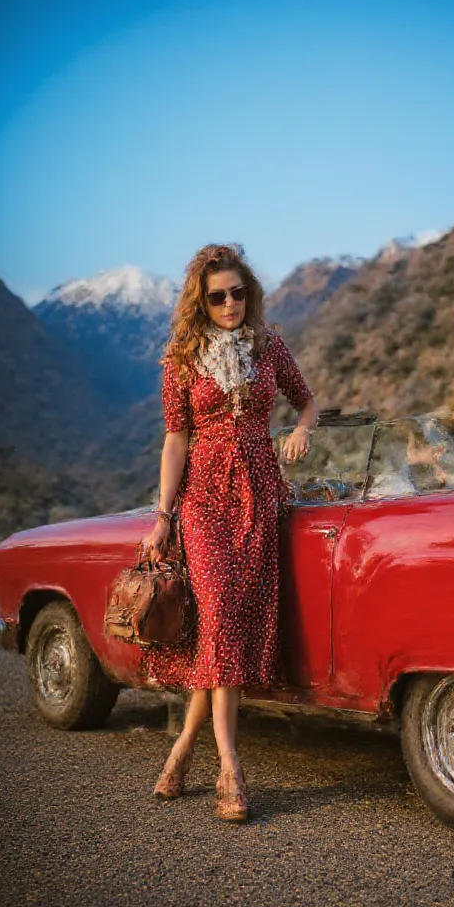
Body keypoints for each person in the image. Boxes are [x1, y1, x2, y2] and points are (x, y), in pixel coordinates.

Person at [141, 243, 317, 822]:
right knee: (216, 618)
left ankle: (182, 749)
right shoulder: (181, 360)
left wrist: (299, 431)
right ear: (201, 300)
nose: (230, 303)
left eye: (238, 292)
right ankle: (231, 767)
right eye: (217, 296)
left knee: (228, 634)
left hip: (260, 496)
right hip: (205, 501)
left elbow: (307, 402)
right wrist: (163, 515)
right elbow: (175, 440)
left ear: (250, 293)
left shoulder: (270, 345)